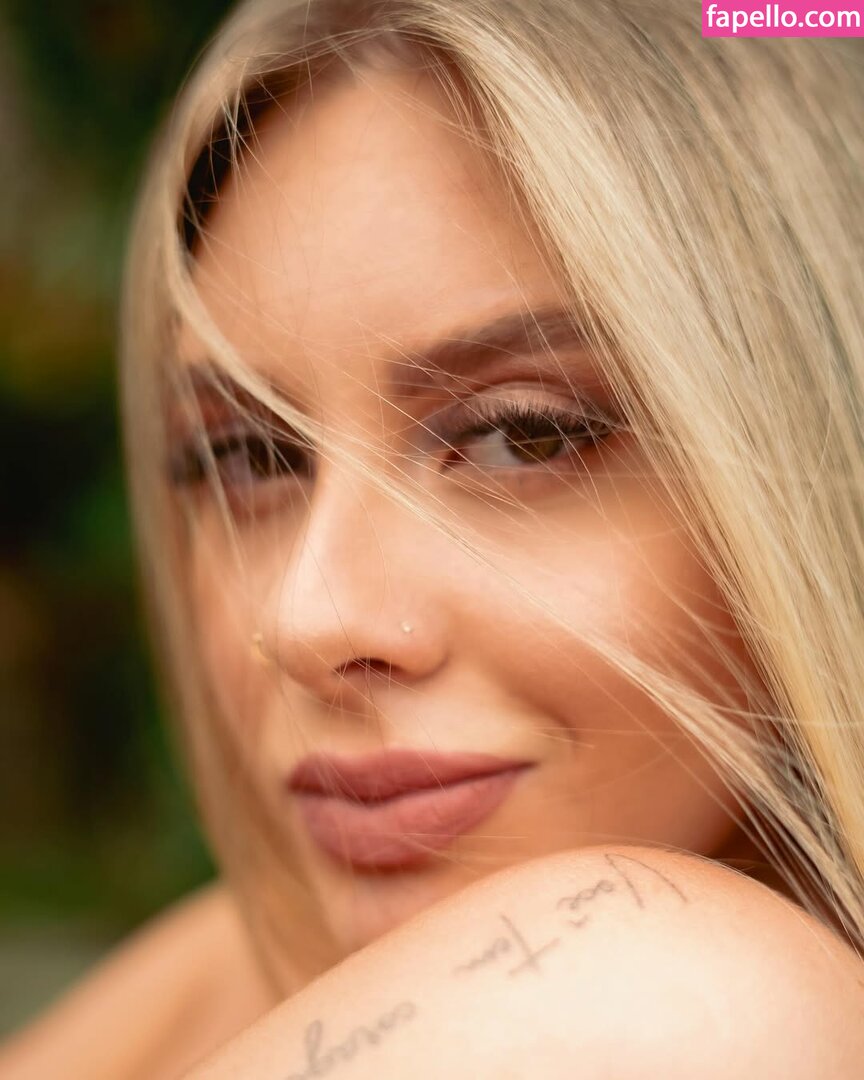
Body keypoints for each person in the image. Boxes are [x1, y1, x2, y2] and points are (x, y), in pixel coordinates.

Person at [3, 0, 864, 1076]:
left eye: (524, 434)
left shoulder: (673, 986)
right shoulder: (243, 955)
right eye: (247, 457)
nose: (306, 622)